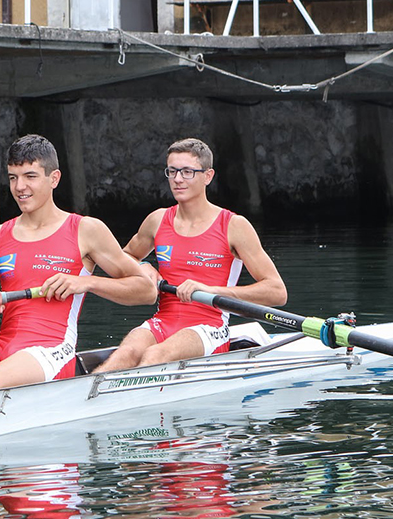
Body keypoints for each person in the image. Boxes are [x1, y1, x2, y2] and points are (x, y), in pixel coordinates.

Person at [0, 134, 154, 402]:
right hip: (3, 344)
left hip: (52, 349)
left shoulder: (85, 230)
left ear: (54, 179)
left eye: (30, 176)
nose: (20, 187)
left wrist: (87, 283)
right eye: (13, 177)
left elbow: (147, 290)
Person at [94, 138, 286, 372]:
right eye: (172, 171)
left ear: (208, 176)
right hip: (164, 320)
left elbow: (277, 291)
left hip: (209, 327)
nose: (177, 179)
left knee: (155, 355)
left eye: (187, 172)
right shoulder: (157, 220)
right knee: (124, 355)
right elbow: (123, 261)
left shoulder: (233, 226)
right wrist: (143, 266)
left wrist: (212, 290)